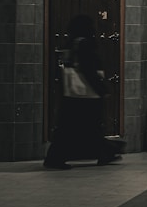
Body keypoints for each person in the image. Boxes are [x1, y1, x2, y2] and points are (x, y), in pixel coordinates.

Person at [45, 14, 123, 168]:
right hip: (86, 95)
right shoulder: (84, 44)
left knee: (69, 128)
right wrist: (101, 89)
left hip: (71, 95)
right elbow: (88, 69)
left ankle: (57, 157)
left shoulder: (70, 44)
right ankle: (105, 153)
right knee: (92, 127)